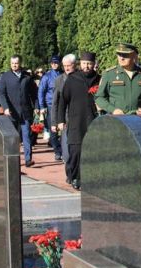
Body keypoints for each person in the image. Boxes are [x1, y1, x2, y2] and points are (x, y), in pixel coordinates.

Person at [56, 52, 99, 189]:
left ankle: (85, 178)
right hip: (76, 121)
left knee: (91, 150)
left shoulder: (99, 79)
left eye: (89, 63)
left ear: (94, 64)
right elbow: (62, 101)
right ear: (80, 64)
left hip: (93, 120)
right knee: (75, 151)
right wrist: (60, 120)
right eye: (84, 63)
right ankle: (73, 176)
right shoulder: (73, 79)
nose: (87, 66)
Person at [95, 43, 141, 123]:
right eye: (119, 54)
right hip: (116, 121)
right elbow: (99, 97)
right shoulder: (109, 74)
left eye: (125, 55)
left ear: (133, 55)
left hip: (137, 121)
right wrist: (113, 110)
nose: (121, 58)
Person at [0, 55, 37, 166]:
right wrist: (5, 107)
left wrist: (37, 107)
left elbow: (34, 93)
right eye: (12, 63)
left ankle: (28, 159)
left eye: (16, 63)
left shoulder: (27, 77)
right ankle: (11, 159)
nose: (14, 65)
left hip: (25, 111)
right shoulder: (5, 77)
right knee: (12, 137)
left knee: (26, 135)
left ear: (20, 63)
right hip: (11, 112)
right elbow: (1, 93)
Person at [51, 54, 77, 166]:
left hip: (78, 116)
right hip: (65, 118)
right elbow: (55, 103)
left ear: (74, 65)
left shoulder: (80, 78)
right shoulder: (59, 80)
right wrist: (54, 122)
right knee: (66, 149)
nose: (66, 68)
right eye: (65, 65)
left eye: (69, 65)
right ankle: (69, 170)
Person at [37, 55, 63, 161]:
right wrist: (42, 106)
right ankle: (57, 151)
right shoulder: (46, 77)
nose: (54, 65)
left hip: (62, 104)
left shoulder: (63, 74)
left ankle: (63, 149)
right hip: (51, 105)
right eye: (52, 63)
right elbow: (41, 92)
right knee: (53, 130)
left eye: (56, 63)